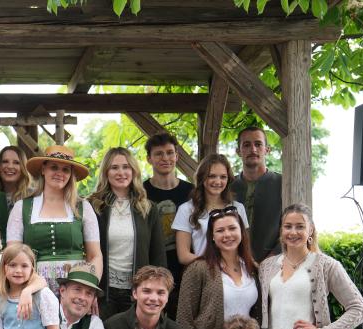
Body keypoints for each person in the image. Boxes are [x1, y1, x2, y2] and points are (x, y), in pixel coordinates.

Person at [177, 206, 259, 329]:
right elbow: (184, 317)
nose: (227, 235)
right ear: (212, 237)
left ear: (241, 232)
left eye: (232, 228)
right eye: (220, 230)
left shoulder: (252, 268)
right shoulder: (199, 268)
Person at [7, 144, 102, 294]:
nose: (60, 173)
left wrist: (89, 289)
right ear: (43, 169)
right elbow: (12, 256)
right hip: (34, 288)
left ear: (71, 174)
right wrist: (22, 291)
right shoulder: (21, 207)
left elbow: (94, 255)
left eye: (66, 170)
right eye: (54, 167)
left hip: (75, 289)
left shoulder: (83, 207)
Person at [89, 147, 166, 318]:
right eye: (114, 167)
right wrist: (89, 288)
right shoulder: (94, 206)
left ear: (133, 171)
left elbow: (158, 256)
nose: (121, 172)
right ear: (106, 172)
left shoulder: (148, 208)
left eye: (126, 167)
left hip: (137, 293)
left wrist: (157, 290)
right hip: (103, 292)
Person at [142, 131, 194, 316]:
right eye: (158, 154)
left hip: (186, 268)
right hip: (152, 266)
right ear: (149, 159)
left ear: (177, 156)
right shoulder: (141, 193)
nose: (165, 158)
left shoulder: (191, 192)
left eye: (170, 153)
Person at [173, 154, 249, 266]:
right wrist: (218, 265)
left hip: (236, 271)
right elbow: (183, 256)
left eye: (223, 177)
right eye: (212, 176)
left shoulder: (238, 208)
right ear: (202, 177)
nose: (218, 182)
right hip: (205, 270)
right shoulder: (186, 209)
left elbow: (245, 250)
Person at [233, 126, 282, 262]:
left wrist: (271, 260)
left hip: (277, 263)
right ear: (238, 151)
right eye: (246, 145)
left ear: (267, 149)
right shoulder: (228, 186)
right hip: (233, 265)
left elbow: (295, 226)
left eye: (258, 144)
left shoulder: (283, 184)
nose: (253, 149)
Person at [0, 145, 35, 210]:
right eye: (5, 161)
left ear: (23, 167)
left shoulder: (34, 197)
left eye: (16, 163)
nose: (10, 166)